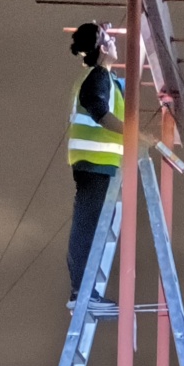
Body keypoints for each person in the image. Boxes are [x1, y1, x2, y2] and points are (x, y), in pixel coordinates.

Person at [65, 20, 126, 317]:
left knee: (91, 227)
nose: (115, 43)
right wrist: (134, 134)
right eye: (110, 40)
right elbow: (100, 111)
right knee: (89, 228)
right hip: (95, 164)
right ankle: (82, 292)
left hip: (99, 165)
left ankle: (84, 291)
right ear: (102, 48)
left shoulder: (106, 78)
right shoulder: (98, 77)